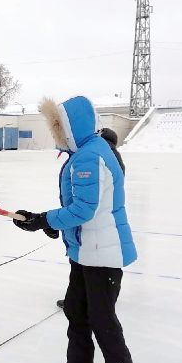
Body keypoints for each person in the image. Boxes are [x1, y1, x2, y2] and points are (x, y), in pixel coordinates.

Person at [12, 96, 138, 363]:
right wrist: (52, 225)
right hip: (87, 250)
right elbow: (80, 209)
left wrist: (45, 220)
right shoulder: (85, 152)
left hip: (102, 254)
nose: (55, 133)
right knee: (76, 310)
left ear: (71, 127)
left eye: (58, 127)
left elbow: (84, 209)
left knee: (102, 320)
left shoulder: (89, 157)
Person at [55, 126, 124, 309]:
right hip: (85, 219)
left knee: (91, 262)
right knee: (80, 261)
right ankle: (78, 299)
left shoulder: (99, 155)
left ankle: (92, 300)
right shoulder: (101, 153)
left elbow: (90, 197)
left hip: (93, 221)